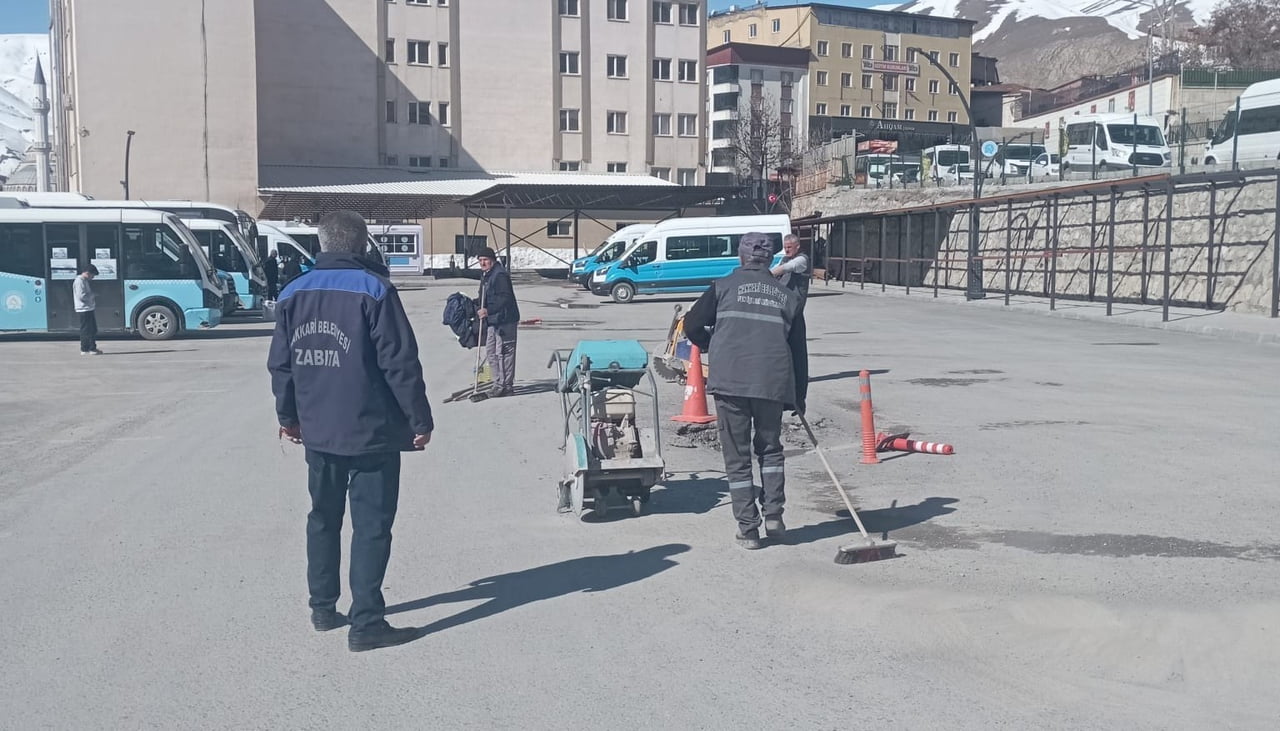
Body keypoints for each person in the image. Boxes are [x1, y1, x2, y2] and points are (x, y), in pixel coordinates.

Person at [267, 210, 434, 653]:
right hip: (370, 434)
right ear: (361, 246)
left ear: (322, 245)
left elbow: (281, 365)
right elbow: (399, 363)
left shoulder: (292, 293)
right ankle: (366, 623)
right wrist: (419, 421)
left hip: (318, 433)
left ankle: (323, 608)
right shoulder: (375, 290)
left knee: (322, 518)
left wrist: (288, 417)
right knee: (371, 528)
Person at [684, 232, 802, 550]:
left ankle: (749, 530)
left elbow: (691, 325)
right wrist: (798, 397)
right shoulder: (787, 296)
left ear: (741, 256)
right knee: (771, 450)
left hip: (731, 382)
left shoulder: (721, 287)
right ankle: (774, 514)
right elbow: (798, 351)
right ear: (770, 259)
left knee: (737, 458)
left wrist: (714, 345)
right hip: (771, 383)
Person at [771, 234, 810, 415]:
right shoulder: (784, 258)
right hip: (782, 314)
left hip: (795, 315)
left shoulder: (802, 260)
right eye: (785, 247)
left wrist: (766, 274)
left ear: (797, 246)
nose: (787, 250)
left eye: (790, 247)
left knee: (798, 357)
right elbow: (778, 267)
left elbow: (786, 268)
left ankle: (798, 398)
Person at [475, 247, 520, 397]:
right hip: (493, 321)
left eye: (485, 260)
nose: (483, 263)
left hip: (505, 320)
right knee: (491, 351)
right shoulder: (486, 275)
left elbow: (505, 298)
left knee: (504, 353)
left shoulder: (499, 275)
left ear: (492, 260)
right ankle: (497, 382)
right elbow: (484, 297)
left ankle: (506, 386)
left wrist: (488, 310)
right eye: (480, 260)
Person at [73, 264, 101, 356]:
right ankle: (88, 348)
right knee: (87, 330)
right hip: (84, 308)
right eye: (92, 275)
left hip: (87, 308)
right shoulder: (79, 281)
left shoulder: (84, 281)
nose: (93, 278)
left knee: (92, 329)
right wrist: (93, 295)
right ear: (87, 273)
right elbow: (81, 296)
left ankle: (89, 347)